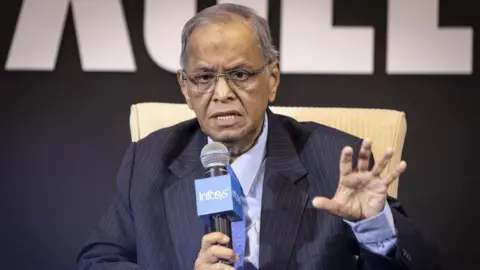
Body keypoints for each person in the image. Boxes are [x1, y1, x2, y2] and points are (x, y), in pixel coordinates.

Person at [75, 3, 439, 270]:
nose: (221, 94)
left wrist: (372, 226)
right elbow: (97, 262)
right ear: (185, 88)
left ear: (273, 79)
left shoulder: (336, 160)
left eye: (240, 74)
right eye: (203, 78)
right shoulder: (149, 162)